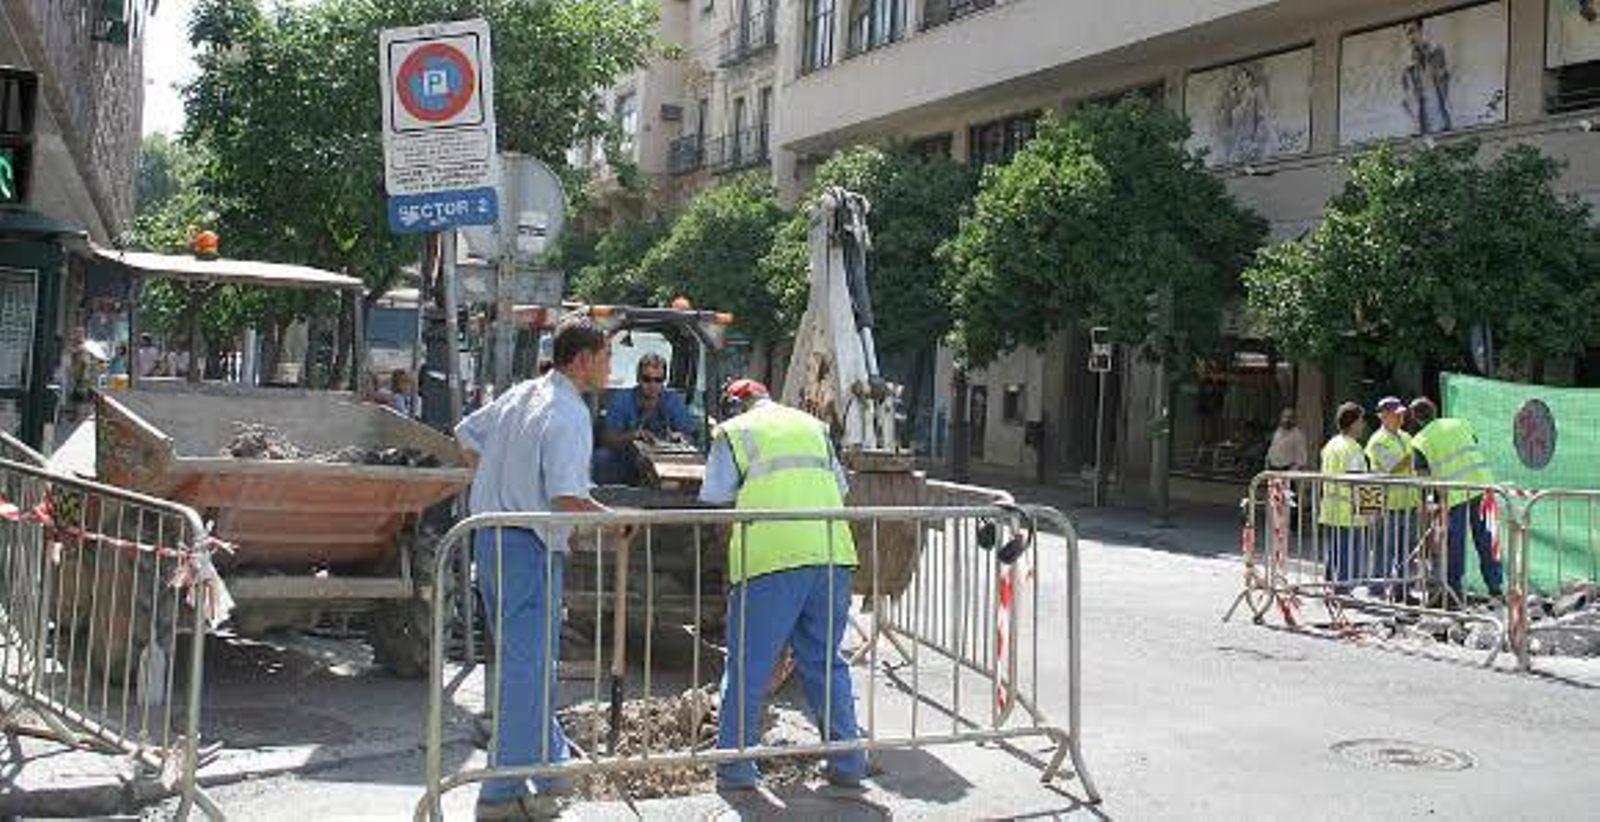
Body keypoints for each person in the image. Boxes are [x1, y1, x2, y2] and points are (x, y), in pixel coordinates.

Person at [454, 317, 617, 821]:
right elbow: (566, 495)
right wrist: (615, 522)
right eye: (607, 356)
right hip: (528, 545)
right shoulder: (569, 412)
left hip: (492, 538)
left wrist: (503, 476)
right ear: (584, 359)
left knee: (525, 664)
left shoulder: (523, 393)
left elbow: (466, 435)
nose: (612, 367)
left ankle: (549, 770)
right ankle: (501, 794)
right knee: (528, 671)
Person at [698, 378, 867, 792]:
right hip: (831, 554)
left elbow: (715, 495)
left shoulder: (734, 432)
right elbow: (839, 488)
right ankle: (848, 761)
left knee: (747, 668)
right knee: (826, 663)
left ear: (735, 406)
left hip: (771, 558)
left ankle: (736, 768)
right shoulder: (813, 427)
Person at [1408, 396, 1503, 604]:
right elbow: (1473, 443)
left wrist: (1427, 505)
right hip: (1482, 486)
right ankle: (1495, 588)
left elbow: (1423, 479)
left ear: (1415, 419)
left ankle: (1453, 590)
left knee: (1454, 544)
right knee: (1487, 539)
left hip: (1454, 494)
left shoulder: (1420, 441)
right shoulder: (1460, 423)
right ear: (1435, 411)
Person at [594, 353, 696, 484]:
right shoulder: (621, 399)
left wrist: (681, 437)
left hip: (664, 460)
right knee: (601, 458)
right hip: (625, 460)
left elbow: (690, 435)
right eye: (646, 379)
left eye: (658, 380)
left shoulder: (673, 401)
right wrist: (633, 435)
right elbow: (607, 439)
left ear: (664, 381)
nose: (652, 385)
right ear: (638, 378)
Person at [1365, 397, 1419, 600]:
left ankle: (1403, 590)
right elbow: (1392, 467)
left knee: (1408, 550)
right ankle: (1377, 590)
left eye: (1402, 413)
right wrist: (1415, 455)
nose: (1401, 416)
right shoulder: (1376, 440)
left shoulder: (1406, 437)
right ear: (1383, 416)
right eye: (1396, 413)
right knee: (1383, 549)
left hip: (1409, 502)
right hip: (1388, 505)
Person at [1318, 402, 1371, 595]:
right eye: (1361, 420)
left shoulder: (1332, 444)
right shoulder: (1353, 448)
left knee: (1334, 554)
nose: (1363, 424)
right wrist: (1370, 511)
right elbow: (1359, 481)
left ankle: (1331, 589)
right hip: (1350, 512)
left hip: (1331, 509)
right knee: (1349, 555)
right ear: (1353, 422)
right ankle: (1342, 592)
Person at [1401, 19, 1452, 135]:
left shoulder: (1435, 50)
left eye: (1412, 31)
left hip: (1436, 110)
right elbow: (1406, 89)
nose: (1410, 37)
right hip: (1419, 114)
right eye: (1407, 34)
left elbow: (1443, 78)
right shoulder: (1408, 61)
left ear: (1421, 30)